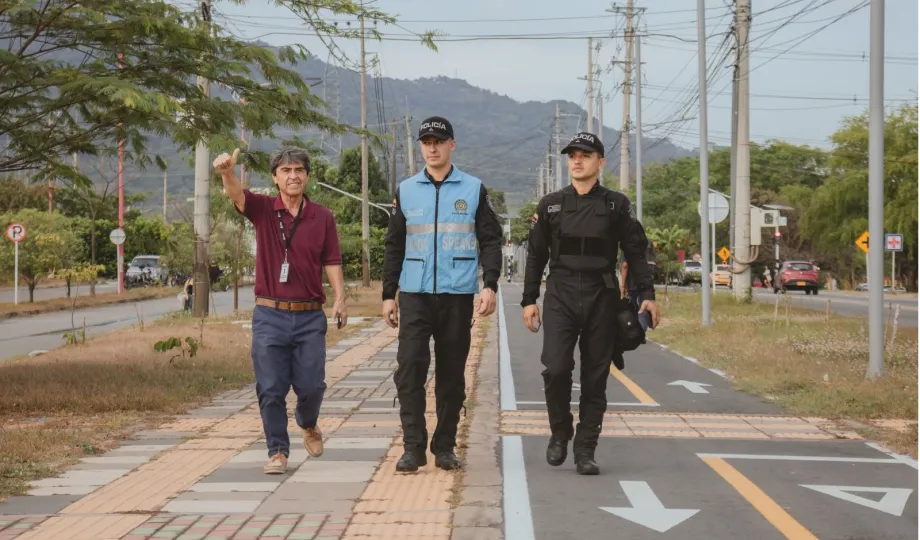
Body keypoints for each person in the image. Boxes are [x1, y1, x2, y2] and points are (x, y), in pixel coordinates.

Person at [520, 132, 659, 475]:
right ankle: (560, 430)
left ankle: (585, 449)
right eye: (572, 155)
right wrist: (528, 300)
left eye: (585, 154)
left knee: (595, 378)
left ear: (601, 161)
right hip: (560, 295)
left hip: (602, 296)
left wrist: (649, 296)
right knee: (556, 369)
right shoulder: (550, 205)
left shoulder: (616, 204)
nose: (577, 160)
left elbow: (636, 252)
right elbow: (536, 256)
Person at [213, 146, 347, 475]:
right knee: (270, 387)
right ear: (275, 178)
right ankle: (277, 451)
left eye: (299, 170)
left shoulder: (323, 217)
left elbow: (331, 260)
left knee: (312, 385)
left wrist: (340, 298)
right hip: (269, 315)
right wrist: (227, 173)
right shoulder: (262, 208)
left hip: (309, 315)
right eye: (285, 171)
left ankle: (308, 422)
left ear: (307, 176)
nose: (293, 176)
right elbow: (237, 195)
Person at [382, 116, 503, 472]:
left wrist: (490, 284)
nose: (432, 147)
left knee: (451, 374)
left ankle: (445, 446)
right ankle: (413, 447)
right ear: (420, 146)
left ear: (452, 144)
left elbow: (490, 240)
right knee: (409, 370)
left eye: (439, 140)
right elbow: (394, 245)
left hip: (457, 295)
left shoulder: (473, 188)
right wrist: (389, 294)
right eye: (426, 142)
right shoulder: (406, 190)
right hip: (416, 295)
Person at [619, 242, 657, 331]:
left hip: (633, 282)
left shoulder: (629, 242)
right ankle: (642, 331)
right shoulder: (649, 244)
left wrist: (622, 285)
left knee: (634, 307)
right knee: (643, 306)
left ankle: (637, 332)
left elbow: (625, 265)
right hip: (647, 283)